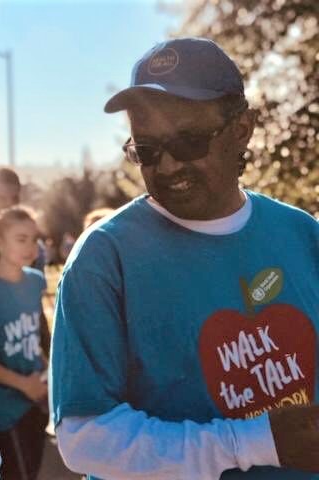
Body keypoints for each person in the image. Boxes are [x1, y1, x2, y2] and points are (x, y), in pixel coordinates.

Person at [51, 37, 319, 480]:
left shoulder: (301, 233)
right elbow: (84, 437)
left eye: (190, 142)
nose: (169, 166)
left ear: (242, 129)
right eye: (148, 150)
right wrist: (253, 443)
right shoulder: (105, 256)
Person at [0, 205, 48, 480]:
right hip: (3, 411)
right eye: (21, 238)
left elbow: (38, 336)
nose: (30, 247)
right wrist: (23, 384)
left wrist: (45, 378)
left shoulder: (36, 281)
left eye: (34, 238)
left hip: (35, 404)